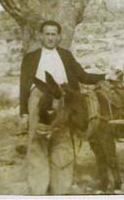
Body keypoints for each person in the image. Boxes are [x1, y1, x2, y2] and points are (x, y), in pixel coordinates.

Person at [19, 20, 116, 194]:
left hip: (64, 101)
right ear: (41, 36)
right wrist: (24, 112)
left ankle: (61, 187)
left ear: (59, 36)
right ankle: (39, 188)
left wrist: (105, 75)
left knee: (62, 141)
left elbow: (82, 76)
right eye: (47, 34)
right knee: (38, 142)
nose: (50, 37)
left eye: (54, 34)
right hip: (38, 100)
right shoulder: (31, 57)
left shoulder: (65, 55)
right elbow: (24, 86)